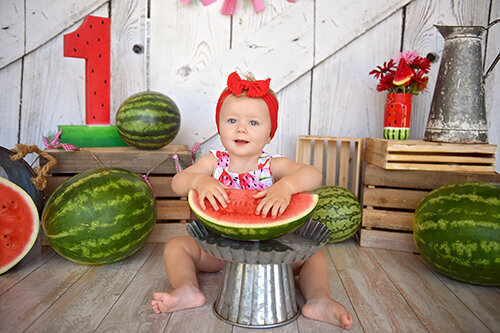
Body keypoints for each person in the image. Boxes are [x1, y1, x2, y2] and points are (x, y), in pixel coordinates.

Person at [151, 71, 353, 330]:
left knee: (315, 257)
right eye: (232, 120)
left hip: (272, 252)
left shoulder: (273, 165)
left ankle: (318, 300)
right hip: (219, 250)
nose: (241, 128)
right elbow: (178, 182)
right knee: (176, 246)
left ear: (270, 134)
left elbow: (313, 174)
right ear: (220, 126)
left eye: (254, 123)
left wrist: (287, 186)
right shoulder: (213, 162)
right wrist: (199, 181)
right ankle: (187, 289)